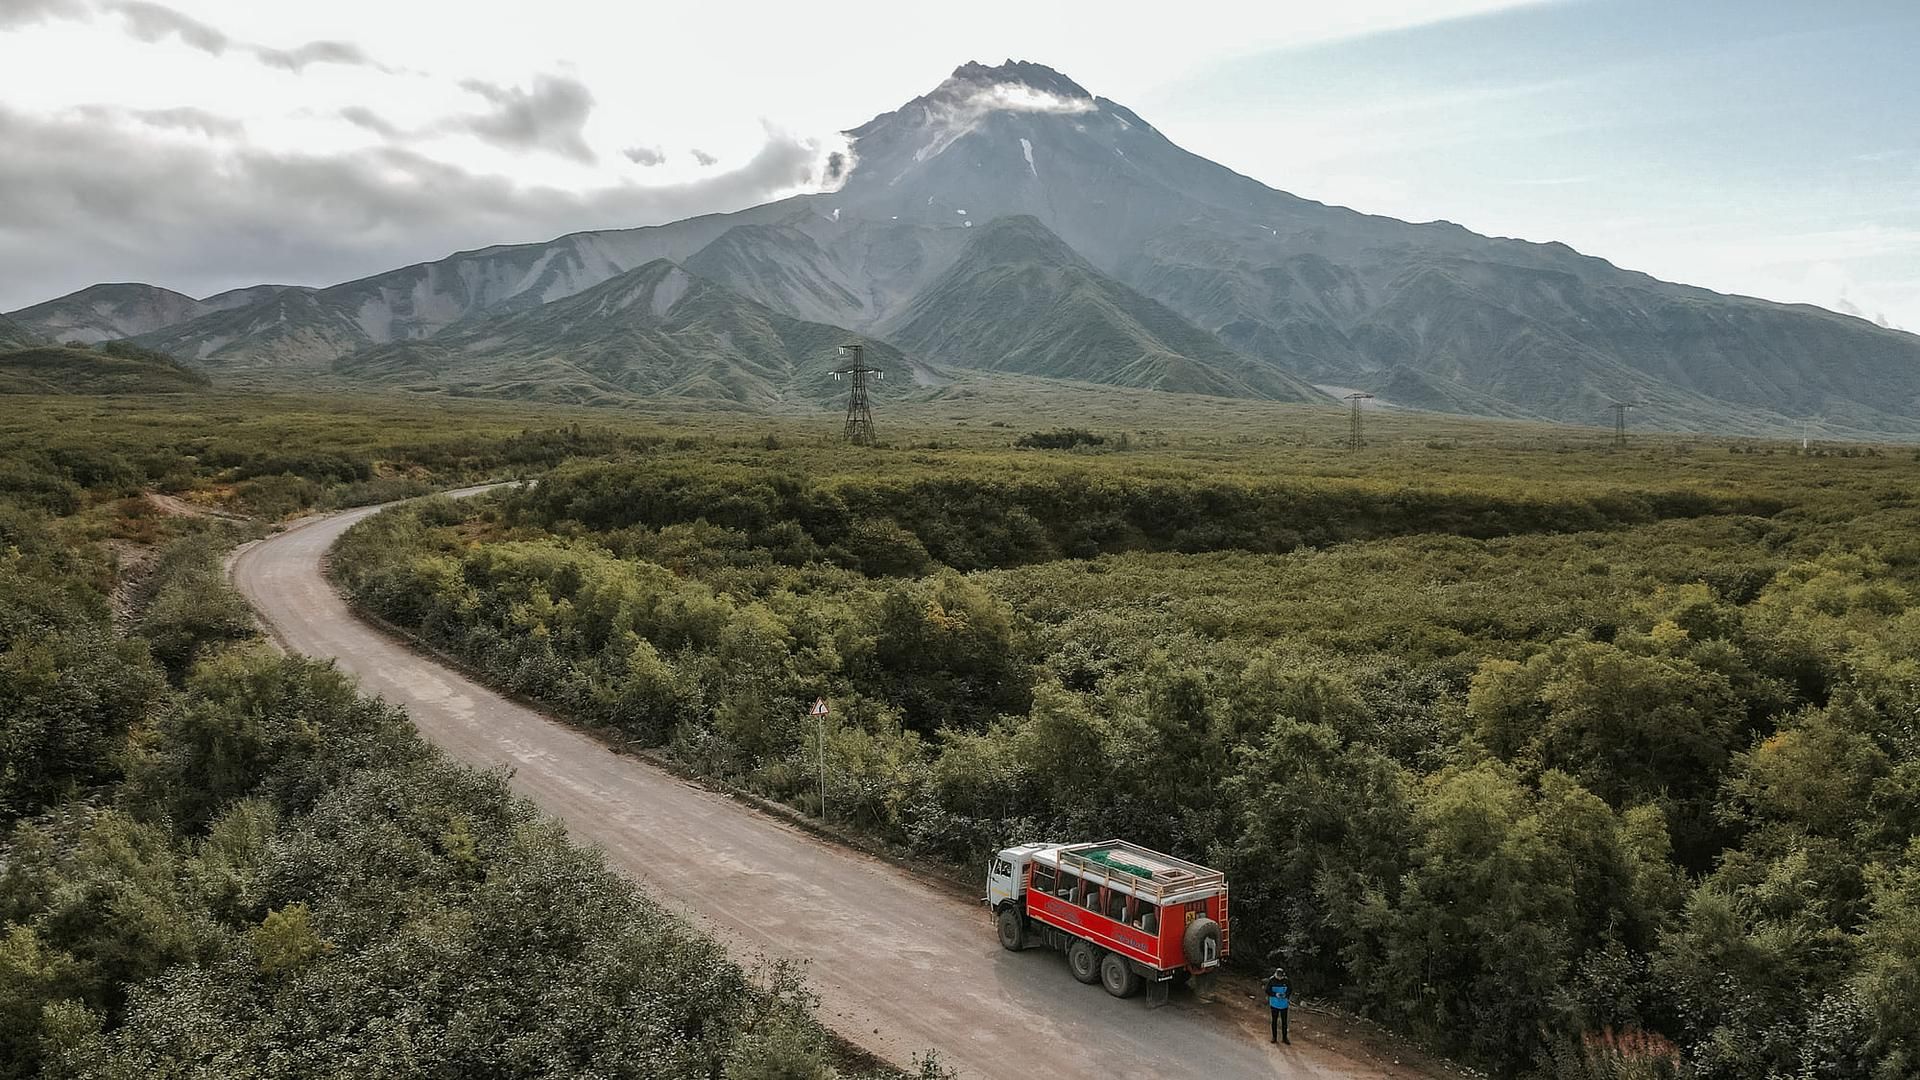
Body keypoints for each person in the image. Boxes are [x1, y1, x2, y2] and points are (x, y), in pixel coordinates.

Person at [1265, 967, 1290, 1045]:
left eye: (1281, 977)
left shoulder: (1286, 981)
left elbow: (1290, 990)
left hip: (1284, 1004)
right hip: (1274, 1004)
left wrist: (1285, 994)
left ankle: (1285, 1038)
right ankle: (1274, 1037)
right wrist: (1275, 994)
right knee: (1274, 1021)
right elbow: (1267, 990)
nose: (1279, 978)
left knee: (1284, 1022)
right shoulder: (1271, 980)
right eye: (1278, 977)